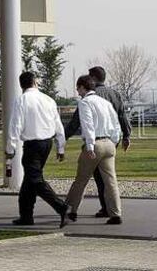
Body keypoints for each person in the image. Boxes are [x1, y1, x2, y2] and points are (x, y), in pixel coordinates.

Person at [65, 66, 131, 218]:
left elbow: (85, 125)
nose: (77, 92)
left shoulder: (86, 101)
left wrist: (87, 145)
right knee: (110, 181)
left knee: (81, 179)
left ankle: (69, 210)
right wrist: (119, 138)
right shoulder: (112, 97)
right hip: (109, 143)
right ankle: (115, 213)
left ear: (89, 82)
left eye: (78, 88)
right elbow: (119, 119)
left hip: (95, 143)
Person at [5, 71, 69, 228]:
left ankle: (62, 207)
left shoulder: (22, 100)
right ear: (35, 82)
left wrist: (10, 147)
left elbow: (15, 125)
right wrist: (60, 147)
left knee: (35, 179)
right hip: (47, 143)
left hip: (32, 144)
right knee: (29, 181)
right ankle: (26, 215)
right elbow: (58, 125)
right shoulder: (48, 100)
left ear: (21, 85)